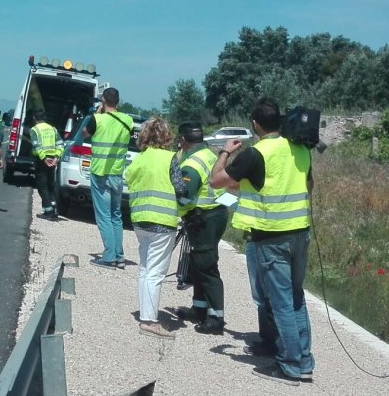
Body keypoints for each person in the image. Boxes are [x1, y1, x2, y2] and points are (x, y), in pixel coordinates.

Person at [211, 98, 314, 386]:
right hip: (299, 233)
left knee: (280, 302)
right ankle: (304, 360)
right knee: (295, 298)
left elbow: (216, 181)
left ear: (254, 124)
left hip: (271, 236)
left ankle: (291, 367)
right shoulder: (300, 149)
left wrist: (224, 152)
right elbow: (309, 186)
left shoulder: (255, 154)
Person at [125, 117, 182, 339]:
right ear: (167, 136)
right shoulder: (170, 158)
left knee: (145, 267)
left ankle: (145, 314)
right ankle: (149, 321)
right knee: (156, 272)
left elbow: (129, 180)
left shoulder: (139, 160)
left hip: (140, 220)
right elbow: (180, 188)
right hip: (162, 220)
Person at [174, 121, 229, 334]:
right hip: (215, 213)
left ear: (183, 140)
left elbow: (185, 197)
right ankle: (199, 309)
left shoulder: (193, 164)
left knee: (206, 266)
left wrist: (175, 208)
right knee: (198, 264)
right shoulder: (208, 154)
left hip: (203, 218)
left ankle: (216, 318)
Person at [82, 87, 133, 269]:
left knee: (103, 215)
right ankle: (119, 256)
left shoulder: (98, 119)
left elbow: (84, 134)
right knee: (116, 215)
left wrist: (96, 114)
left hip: (100, 173)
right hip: (117, 172)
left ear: (103, 100)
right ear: (118, 101)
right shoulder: (128, 120)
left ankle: (109, 256)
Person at [29, 109, 64, 219]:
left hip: (42, 160)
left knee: (42, 186)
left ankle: (48, 212)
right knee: (51, 185)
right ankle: (54, 209)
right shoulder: (53, 129)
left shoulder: (34, 130)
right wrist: (57, 157)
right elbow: (60, 144)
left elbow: (36, 146)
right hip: (52, 160)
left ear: (34, 118)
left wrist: (44, 158)